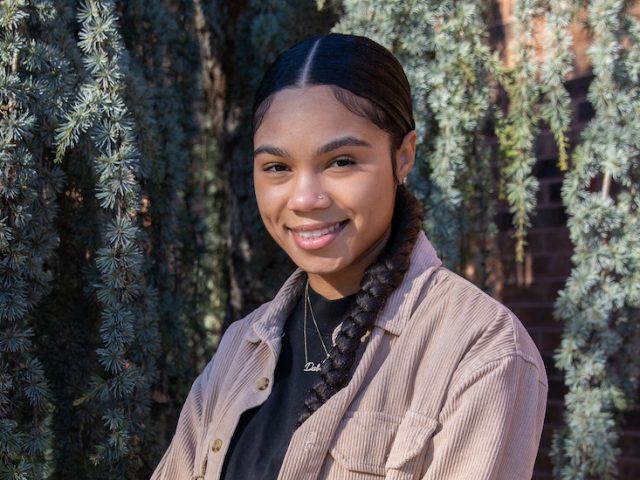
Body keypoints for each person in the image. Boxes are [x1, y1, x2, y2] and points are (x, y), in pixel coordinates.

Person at [151, 33, 547, 480]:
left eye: (340, 161)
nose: (304, 199)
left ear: (403, 156)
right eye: (277, 167)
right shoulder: (242, 347)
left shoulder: (479, 350)